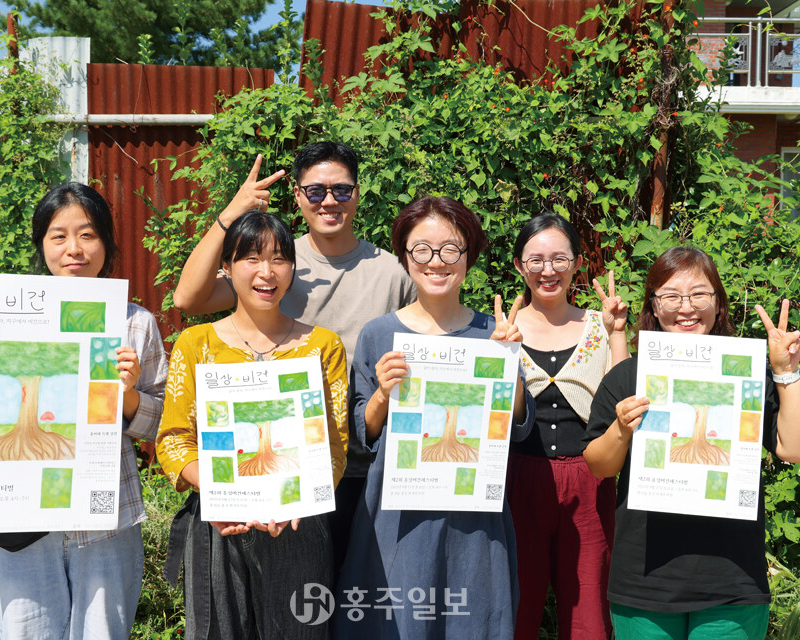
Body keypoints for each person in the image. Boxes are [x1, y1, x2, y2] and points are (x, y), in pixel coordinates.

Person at [0, 183, 168, 640]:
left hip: (105, 521)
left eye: (88, 235)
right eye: (59, 236)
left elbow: (163, 424)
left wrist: (128, 395)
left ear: (107, 243)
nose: (74, 249)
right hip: (17, 520)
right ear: (41, 245)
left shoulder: (134, 324)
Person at [171, 141, 415, 570]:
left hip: (364, 466)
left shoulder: (392, 272)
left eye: (341, 190)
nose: (329, 201)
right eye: (315, 191)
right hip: (283, 471)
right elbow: (187, 299)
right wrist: (230, 215)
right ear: (298, 196)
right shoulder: (273, 260)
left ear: (357, 193)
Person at [583, 246, 800, 640]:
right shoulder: (628, 376)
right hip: (644, 582)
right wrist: (621, 428)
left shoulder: (748, 375)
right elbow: (599, 466)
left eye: (699, 294)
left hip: (733, 582)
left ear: (718, 303)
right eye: (671, 296)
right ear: (654, 306)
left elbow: (797, 450)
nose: (686, 307)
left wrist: (786, 373)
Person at [333, 196, 535, 639]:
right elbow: (361, 434)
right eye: (422, 249)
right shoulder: (379, 333)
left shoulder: (493, 333)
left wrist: (510, 363)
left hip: (474, 518)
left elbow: (519, 428)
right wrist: (383, 394)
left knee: (473, 622)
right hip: (398, 515)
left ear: (469, 256)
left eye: (450, 249)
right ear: (405, 256)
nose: (436, 261)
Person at [156, 210, 349, 640]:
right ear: (226, 267)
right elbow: (173, 442)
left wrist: (297, 499)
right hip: (220, 524)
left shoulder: (322, 346)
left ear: (292, 268)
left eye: (279, 258)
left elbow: (334, 448)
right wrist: (224, 491)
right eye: (251, 258)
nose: (267, 272)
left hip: (298, 524)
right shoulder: (196, 344)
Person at [504, 213, 629, 640]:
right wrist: (501, 354)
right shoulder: (502, 328)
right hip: (519, 478)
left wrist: (617, 332)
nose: (548, 270)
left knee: (589, 610)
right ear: (519, 265)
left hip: (589, 478)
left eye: (560, 258)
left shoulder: (600, 324)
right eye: (535, 260)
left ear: (577, 263)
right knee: (516, 605)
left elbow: (623, 394)